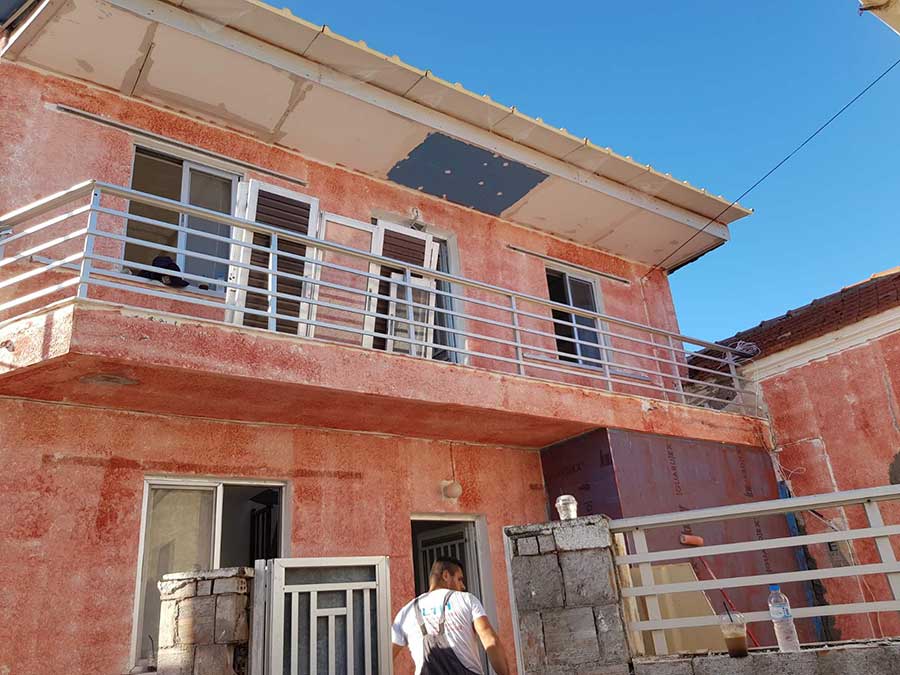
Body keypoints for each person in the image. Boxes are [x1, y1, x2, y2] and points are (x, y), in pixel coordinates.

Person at [392, 557, 510, 675]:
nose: (463, 586)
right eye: (459, 579)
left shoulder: (407, 612)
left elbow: (386, 656)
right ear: (446, 575)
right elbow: (489, 639)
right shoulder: (466, 600)